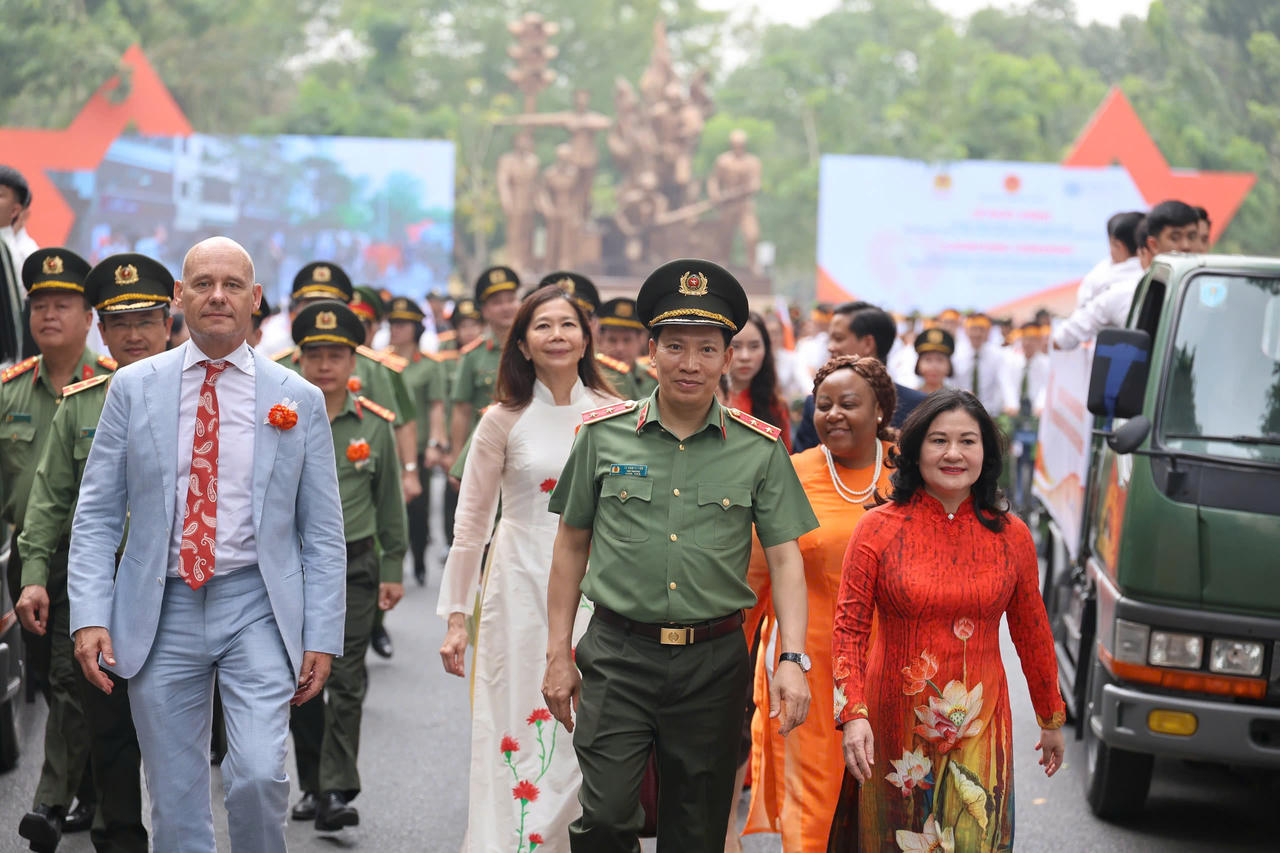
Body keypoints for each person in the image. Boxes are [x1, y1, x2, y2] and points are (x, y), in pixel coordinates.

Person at [67, 236, 348, 853]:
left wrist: (323, 636)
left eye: (232, 285)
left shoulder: (295, 397)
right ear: (180, 298)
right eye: (202, 284)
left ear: (255, 300)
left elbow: (323, 530)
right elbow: (96, 513)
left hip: (257, 605)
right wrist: (88, 615)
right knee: (174, 794)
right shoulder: (134, 388)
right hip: (158, 607)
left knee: (255, 775)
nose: (217, 296)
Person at [542, 259, 819, 852]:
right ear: (652, 352)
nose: (689, 364)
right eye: (675, 347)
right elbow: (569, 547)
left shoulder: (758, 449)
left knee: (695, 829)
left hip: (713, 665)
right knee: (610, 815)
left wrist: (792, 657)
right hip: (618, 656)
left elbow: (787, 560)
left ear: (727, 358)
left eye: (706, 349)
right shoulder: (601, 436)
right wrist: (557, 654)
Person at [831, 390, 1065, 852]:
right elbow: (849, 630)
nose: (953, 454)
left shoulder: (1011, 536)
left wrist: (1050, 715)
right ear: (916, 450)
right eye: (939, 440)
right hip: (893, 722)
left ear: (987, 453)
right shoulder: (876, 528)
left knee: (975, 836)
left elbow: (1032, 629)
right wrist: (853, 715)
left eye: (968, 441)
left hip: (982, 723)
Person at [438, 285, 617, 852]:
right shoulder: (500, 421)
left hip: (596, 585)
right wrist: (455, 617)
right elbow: (470, 526)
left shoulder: (615, 417)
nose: (557, 335)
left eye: (568, 324)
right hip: (516, 584)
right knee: (519, 716)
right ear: (521, 343)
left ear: (587, 338)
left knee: (592, 721)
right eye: (543, 326)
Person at [17, 253, 174, 853]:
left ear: (169, 324)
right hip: (99, 588)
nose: (133, 335)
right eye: (118, 322)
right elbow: (49, 500)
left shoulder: (205, 399)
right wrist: (35, 577)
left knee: (175, 727)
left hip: (183, 587)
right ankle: (115, 833)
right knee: (101, 718)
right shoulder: (81, 404)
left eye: (146, 320)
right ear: (101, 331)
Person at [742, 355, 896, 853]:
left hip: (899, 665)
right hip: (809, 663)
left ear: (879, 411)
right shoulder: (790, 472)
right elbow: (753, 575)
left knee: (896, 792)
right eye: (822, 404)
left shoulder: (911, 472)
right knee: (813, 799)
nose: (833, 414)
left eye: (849, 403)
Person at [3, 248, 114, 850]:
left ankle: (54, 799)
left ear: (88, 315)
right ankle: (88, 789)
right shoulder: (10, 391)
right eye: (38, 305)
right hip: (32, 557)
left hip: (94, 556)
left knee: (77, 678)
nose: (48, 315)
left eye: (62, 304)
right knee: (53, 681)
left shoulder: (114, 384)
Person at [287, 300, 407, 832]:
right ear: (300, 359)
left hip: (355, 567)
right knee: (301, 678)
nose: (325, 365)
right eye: (315, 355)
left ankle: (337, 788)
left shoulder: (373, 425)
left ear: (353, 362)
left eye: (336, 355)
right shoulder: (279, 416)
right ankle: (312, 784)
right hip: (294, 567)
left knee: (349, 676)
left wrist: (393, 567)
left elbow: (389, 504)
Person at [1053, 200, 1199, 351]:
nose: (1186, 246)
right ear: (1152, 245)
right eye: (1175, 237)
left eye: (1192, 237)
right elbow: (1063, 338)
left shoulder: (1209, 289)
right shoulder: (1125, 293)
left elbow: (1061, 339)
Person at [793, 303, 925, 451]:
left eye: (838, 338)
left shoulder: (918, 407)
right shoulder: (815, 405)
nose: (830, 347)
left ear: (868, 344)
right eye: (826, 407)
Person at [727, 311, 792, 451]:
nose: (745, 356)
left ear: (766, 350)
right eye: (736, 346)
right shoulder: (708, 401)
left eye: (754, 346)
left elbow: (785, 462)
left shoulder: (776, 406)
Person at [951, 313, 1005, 414]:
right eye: (973, 329)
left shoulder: (998, 355)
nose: (977, 334)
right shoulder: (955, 354)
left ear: (988, 332)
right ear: (966, 331)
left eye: (982, 329)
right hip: (960, 410)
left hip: (990, 412)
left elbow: (1002, 383)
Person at [598, 297, 651, 398]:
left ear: (641, 340)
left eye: (627, 340)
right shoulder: (592, 378)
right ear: (600, 341)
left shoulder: (654, 380)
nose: (620, 348)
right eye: (612, 340)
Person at [913, 327, 955, 394]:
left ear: (949, 365)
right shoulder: (910, 397)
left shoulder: (959, 400)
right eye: (928, 360)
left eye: (940, 360)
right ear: (918, 364)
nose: (934, 366)